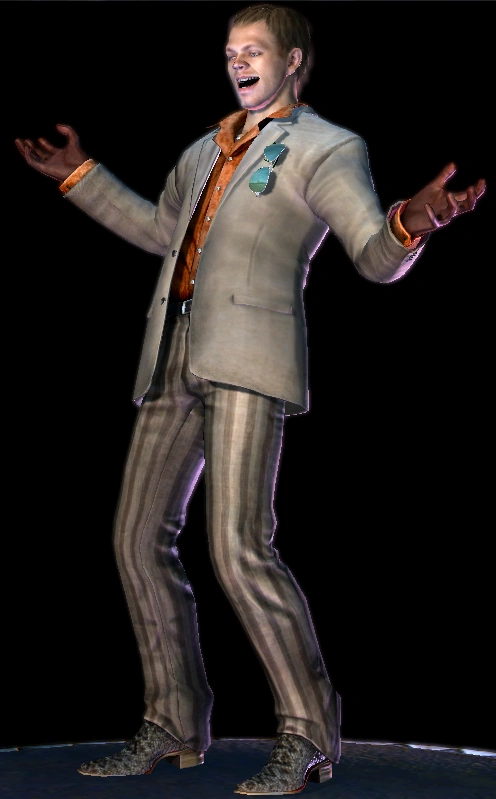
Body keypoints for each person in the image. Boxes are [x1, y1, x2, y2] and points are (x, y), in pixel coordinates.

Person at [15, 4, 486, 795]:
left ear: (293, 59)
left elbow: (371, 253)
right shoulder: (205, 148)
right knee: (135, 538)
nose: (238, 61)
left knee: (239, 548)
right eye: (231, 50)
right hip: (172, 354)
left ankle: (308, 732)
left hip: (247, 359)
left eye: (254, 50)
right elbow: (163, 231)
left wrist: (412, 223)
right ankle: (172, 721)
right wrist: (79, 174)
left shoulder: (329, 148)